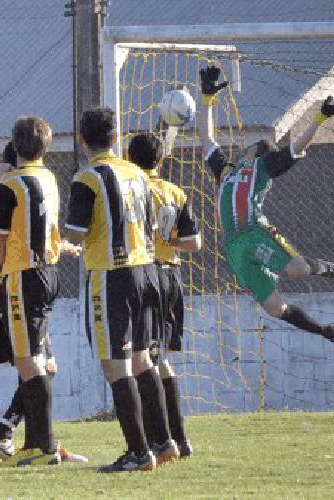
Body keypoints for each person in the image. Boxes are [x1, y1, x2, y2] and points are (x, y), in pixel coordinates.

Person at [195, 65, 334, 354]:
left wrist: (319, 119)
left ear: (254, 152)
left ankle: (330, 270)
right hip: (234, 248)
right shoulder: (224, 171)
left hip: (254, 234)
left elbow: (296, 146)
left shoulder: (261, 167)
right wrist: (207, 97)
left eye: (247, 148)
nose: (241, 150)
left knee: (297, 270)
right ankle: (327, 332)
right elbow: (205, 136)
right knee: (275, 308)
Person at [64, 108, 173, 473]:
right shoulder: (137, 174)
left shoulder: (87, 178)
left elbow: (76, 234)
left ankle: (139, 453)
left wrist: (58, 235)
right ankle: (164, 442)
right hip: (148, 271)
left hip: (112, 276)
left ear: (82, 139)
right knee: (144, 361)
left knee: (116, 367)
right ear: (116, 137)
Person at [0, 142, 87, 464]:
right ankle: (40, 445)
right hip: (4, 287)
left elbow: (34, 234)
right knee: (32, 364)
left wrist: (61, 247)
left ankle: (10, 436)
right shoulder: (4, 195)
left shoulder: (24, 190)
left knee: (41, 366)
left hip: (26, 280)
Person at [127, 132, 201, 459]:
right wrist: (168, 243)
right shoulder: (175, 192)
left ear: (129, 159)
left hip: (148, 274)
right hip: (173, 275)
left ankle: (164, 440)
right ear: (160, 160)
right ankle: (180, 440)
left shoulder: (132, 189)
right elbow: (195, 243)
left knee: (147, 360)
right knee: (163, 361)